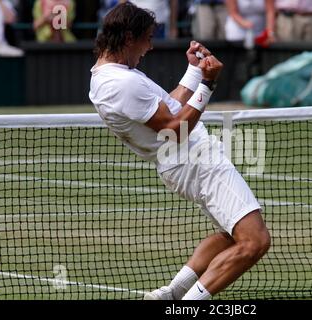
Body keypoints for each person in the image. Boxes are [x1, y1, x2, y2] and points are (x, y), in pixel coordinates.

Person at [89, 2, 270, 300]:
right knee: (255, 241)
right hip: (195, 160)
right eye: (148, 38)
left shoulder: (108, 77)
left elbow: (168, 106)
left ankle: (171, 293)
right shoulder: (122, 83)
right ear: (129, 38)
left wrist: (194, 71)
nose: (150, 47)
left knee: (230, 235)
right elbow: (176, 127)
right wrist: (208, 84)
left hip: (182, 163)